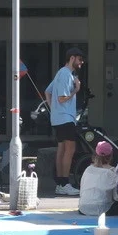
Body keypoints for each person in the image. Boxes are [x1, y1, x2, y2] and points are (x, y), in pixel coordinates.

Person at [47, 47, 86, 196]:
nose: (81, 63)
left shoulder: (60, 73)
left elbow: (47, 91)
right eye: (80, 60)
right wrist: (76, 90)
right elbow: (61, 98)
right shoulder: (65, 74)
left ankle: (60, 183)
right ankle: (64, 183)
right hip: (66, 117)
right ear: (72, 58)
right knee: (70, 150)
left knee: (62, 149)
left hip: (59, 117)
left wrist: (53, 110)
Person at [78, 141, 118, 217]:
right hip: (103, 209)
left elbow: (82, 189)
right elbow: (116, 197)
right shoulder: (111, 172)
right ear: (111, 156)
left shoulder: (88, 169)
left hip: (83, 208)